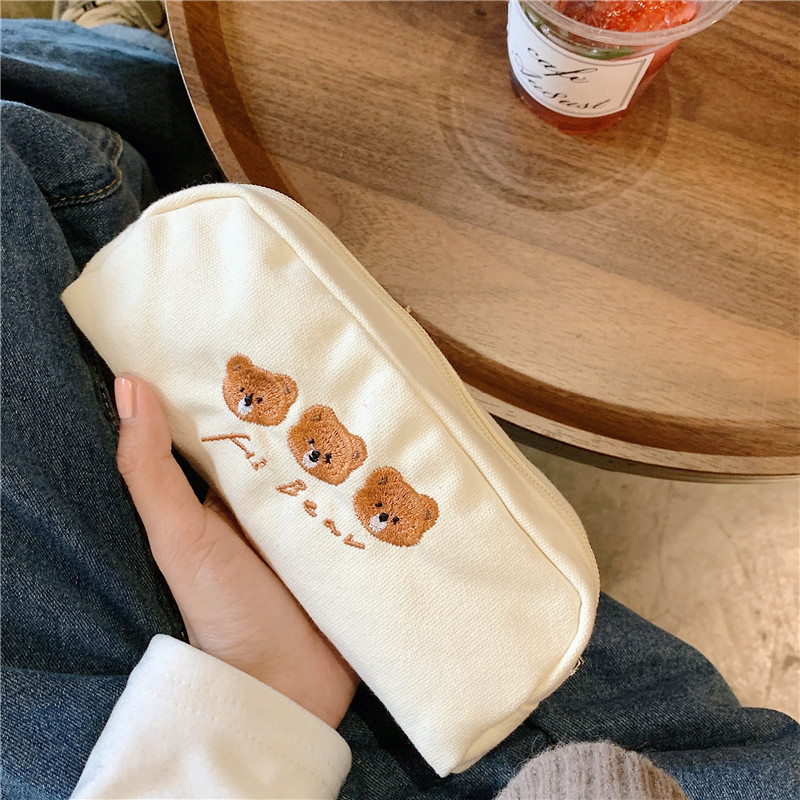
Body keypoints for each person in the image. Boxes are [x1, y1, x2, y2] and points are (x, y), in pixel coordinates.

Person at [2, 4, 798, 799]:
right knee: (35, 151)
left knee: (34, 157)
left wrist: (265, 698)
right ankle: (121, 79)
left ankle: (118, 78)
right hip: (489, 709)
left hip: (231, 726)